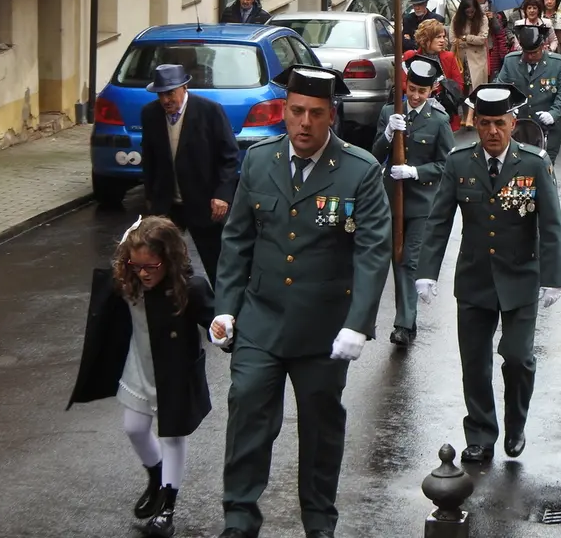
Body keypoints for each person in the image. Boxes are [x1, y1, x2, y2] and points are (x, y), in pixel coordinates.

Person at [210, 66, 391, 538]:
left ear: (331, 115)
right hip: (262, 322)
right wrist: (225, 307)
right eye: (295, 112)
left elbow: (373, 253)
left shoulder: (360, 171)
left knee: (320, 428)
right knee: (247, 409)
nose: (304, 123)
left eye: (315, 113)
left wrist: (358, 324)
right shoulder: (259, 161)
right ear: (284, 111)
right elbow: (237, 241)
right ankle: (239, 517)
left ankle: (318, 520)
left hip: (324, 332)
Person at [415, 83, 561, 463]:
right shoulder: (459, 161)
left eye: (500, 123)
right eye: (485, 123)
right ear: (476, 124)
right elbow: (438, 221)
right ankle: (481, 432)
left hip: (520, 278)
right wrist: (426, 272)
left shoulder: (533, 163)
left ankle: (516, 424)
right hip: (475, 277)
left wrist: (553, 277)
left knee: (517, 358)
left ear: (512, 123)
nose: (492, 132)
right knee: (475, 363)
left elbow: (550, 225)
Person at [68, 215, 215, 538]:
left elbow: (214, 323)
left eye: (152, 266)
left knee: (173, 436)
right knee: (134, 428)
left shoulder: (189, 287)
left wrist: (223, 333)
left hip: (175, 371)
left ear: (170, 259)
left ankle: (167, 507)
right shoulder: (128, 279)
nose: (145, 273)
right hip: (141, 365)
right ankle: (157, 475)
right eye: (137, 266)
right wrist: (131, 243)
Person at [372, 57, 455, 348]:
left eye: (422, 90)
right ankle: (400, 318)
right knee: (391, 259)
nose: (416, 95)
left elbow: (447, 166)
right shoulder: (389, 112)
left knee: (409, 262)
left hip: (421, 204)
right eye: (412, 88)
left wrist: (415, 172)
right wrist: (386, 133)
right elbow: (375, 153)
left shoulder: (439, 120)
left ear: (432, 90)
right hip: (391, 200)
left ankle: (403, 325)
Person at [140, 63, 239, 284]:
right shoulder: (150, 114)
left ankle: (224, 312)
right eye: (161, 95)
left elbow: (229, 156)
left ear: (184, 87)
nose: (166, 100)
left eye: (170, 93)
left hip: (205, 203)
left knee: (216, 264)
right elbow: (149, 158)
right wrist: (150, 196)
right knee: (164, 261)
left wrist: (222, 194)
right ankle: (174, 307)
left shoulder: (210, 111)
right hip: (167, 205)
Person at [496, 25, 561, 163]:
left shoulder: (557, 63)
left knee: (544, 170)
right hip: (518, 129)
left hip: (547, 130)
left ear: (543, 46)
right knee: (517, 171)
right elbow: (500, 87)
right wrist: (508, 107)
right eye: (527, 53)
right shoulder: (511, 61)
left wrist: (554, 113)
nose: (530, 56)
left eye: (535, 52)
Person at [404, 19, 464, 133]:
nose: (442, 40)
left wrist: (444, 87)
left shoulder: (449, 57)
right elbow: (402, 84)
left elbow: (458, 86)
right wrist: (423, 89)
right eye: (438, 37)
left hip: (443, 111)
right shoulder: (410, 56)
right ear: (426, 39)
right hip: (415, 108)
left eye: (443, 37)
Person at [451, 0, 490, 128]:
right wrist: (470, 40)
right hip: (460, 58)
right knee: (462, 87)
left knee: (475, 86)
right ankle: (465, 114)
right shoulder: (456, 19)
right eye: (467, 12)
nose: (470, 15)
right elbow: (452, 40)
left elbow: (482, 39)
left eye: (472, 12)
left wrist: (465, 38)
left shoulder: (483, 18)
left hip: (477, 59)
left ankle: (470, 117)